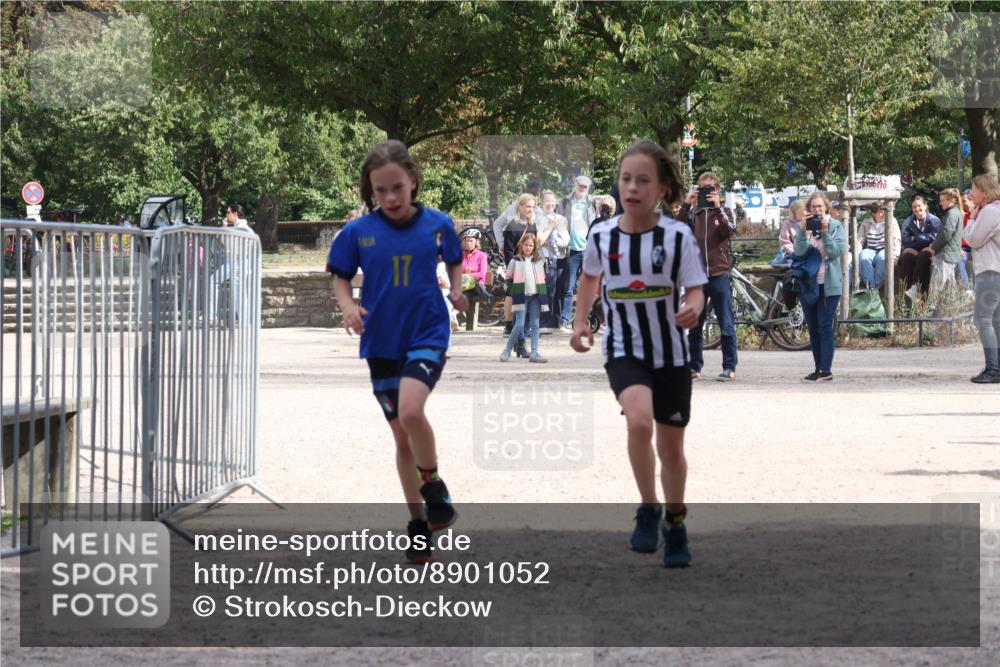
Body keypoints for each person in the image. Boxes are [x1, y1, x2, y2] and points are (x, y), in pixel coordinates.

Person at [327, 140, 467, 564]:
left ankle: (434, 486)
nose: (389, 197)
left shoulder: (438, 224)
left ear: (413, 182)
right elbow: (340, 276)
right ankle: (419, 523)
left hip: (427, 332)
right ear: (370, 191)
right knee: (402, 438)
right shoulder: (357, 232)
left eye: (397, 188)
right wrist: (349, 307)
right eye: (380, 190)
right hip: (381, 340)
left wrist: (457, 289)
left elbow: (455, 259)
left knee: (411, 411)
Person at [570, 139, 707, 568]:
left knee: (671, 450)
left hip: (672, 355)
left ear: (662, 188)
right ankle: (648, 506)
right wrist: (580, 322)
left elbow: (696, 289)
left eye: (643, 180)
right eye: (626, 179)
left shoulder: (677, 236)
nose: (632, 187)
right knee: (639, 420)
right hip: (624, 348)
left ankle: (675, 521)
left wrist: (693, 307)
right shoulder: (602, 235)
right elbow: (589, 279)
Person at [676, 171, 738, 381]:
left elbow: (729, 231)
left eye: (710, 189)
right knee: (695, 324)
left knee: (726, 323)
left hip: (719, 274)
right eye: (702, 189)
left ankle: (729, 367)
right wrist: (687, 204)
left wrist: (717, 208)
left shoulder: (726, 211)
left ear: (718, 189)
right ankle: (694, 367)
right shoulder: (693, 213)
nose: (706, 193)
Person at [794, 191, 846, 382]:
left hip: (828, 285)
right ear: (808, 209)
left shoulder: (836, 226)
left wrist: (824, 233)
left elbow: (834, 252)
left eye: (820, 206)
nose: (817, 210)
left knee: (825, 327)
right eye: (813, 207)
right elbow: (799, 252)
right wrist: (801, 231)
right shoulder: (805, 228)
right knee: (814, 329)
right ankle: (818, 369)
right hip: (809, 285)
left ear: (826, 208)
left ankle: (826, 370)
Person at [963, 173, 1000, 384]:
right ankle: (997, 367)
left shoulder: (989, 211)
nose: (971, 194)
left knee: (983, 319)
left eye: (974, 190)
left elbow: (973, 240)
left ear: (984, 193)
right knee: (996, 321)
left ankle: (993, 368)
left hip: (990, 271)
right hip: (996, 271)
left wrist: (972, 218)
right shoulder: (997, 209)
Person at [558, 175, 600, 332]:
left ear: (588, 189)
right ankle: (565, 320)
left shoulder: (593, 203)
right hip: (572, 250)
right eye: (580, 186)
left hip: (589, 250)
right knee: (569, 287)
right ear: (574, 186)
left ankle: (591, 320)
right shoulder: (565, 202)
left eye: (585, 187)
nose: (582, 189)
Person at [499, 233, 548, 363]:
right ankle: (507, 350)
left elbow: (543, 279)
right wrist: (513, 291)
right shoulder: (515, 261)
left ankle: (534, 353)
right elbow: (508, 278)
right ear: (522, 245)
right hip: (521, 296)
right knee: (519, 324)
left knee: (535, 325)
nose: (528, 247)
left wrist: (543, 298)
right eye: (526, 245)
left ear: (534, 247)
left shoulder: (538, 261)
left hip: (536, 297)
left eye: (531, 245)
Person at [897, 195, 941, 300]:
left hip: (929, 249)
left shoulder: (934, 220)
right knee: (906, 258)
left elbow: (934, 237)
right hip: (913, 250)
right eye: (914, 207)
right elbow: (906, 240)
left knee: (924, 257)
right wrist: (917, 245)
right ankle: (907, 294)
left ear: (925, 206)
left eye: (919, 206)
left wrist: (916, 238)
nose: (917, 209)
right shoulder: (908, 222)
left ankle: (918, 290)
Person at [539, 190, 570, 329]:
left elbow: (566, 239)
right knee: (549, 291)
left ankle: (557, 322)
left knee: (560, 290)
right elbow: (539, 241)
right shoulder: (539, 219)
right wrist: (551, 226)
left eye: (552, 201)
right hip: (547, 259)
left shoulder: (561, 218)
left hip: (561, 258)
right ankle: (544, 322)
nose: (550, 203)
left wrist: (556, 241)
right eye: (547, 201)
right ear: (542, 203)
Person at [929, 188, 964, 295]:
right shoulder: (956, 213)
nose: (940, 203)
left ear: (951, 200)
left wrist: (933, 246)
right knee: (949, 290)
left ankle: (933, 306)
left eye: (942, 200)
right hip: (950, 255)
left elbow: (946, 234)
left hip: (945, 256)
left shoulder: (951, 214)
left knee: (936, 289)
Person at [857, 204, 899, 290]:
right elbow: (859, 240)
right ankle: (871, 286)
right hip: (870, 248)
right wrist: (857, 253)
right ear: (873, 213)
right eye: (880, 212)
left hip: (884, 248)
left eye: (884, 211)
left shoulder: (891, 221)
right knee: (863, 258)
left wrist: (896, 256)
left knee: (882, 258)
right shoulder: (866, 222)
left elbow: (896, 239)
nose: (883, 213)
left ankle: (876, 286)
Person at [460, 228, 489, 299]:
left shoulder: (482, 256)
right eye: (467, 241)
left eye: (471, 241)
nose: (468, 243)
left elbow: (482, 274)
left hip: (476, 286)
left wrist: (469, 275)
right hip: (463, 285)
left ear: (476, 242)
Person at [959, 188, 976, 291]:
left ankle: (977, 289)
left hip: (976, 246)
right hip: (965, 248)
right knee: (959, 258)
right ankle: (967, 290)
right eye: (961, 202)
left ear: (971, 200)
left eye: (964, 201)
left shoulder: (980, 214)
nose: (962, 204)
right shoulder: (964, 215)